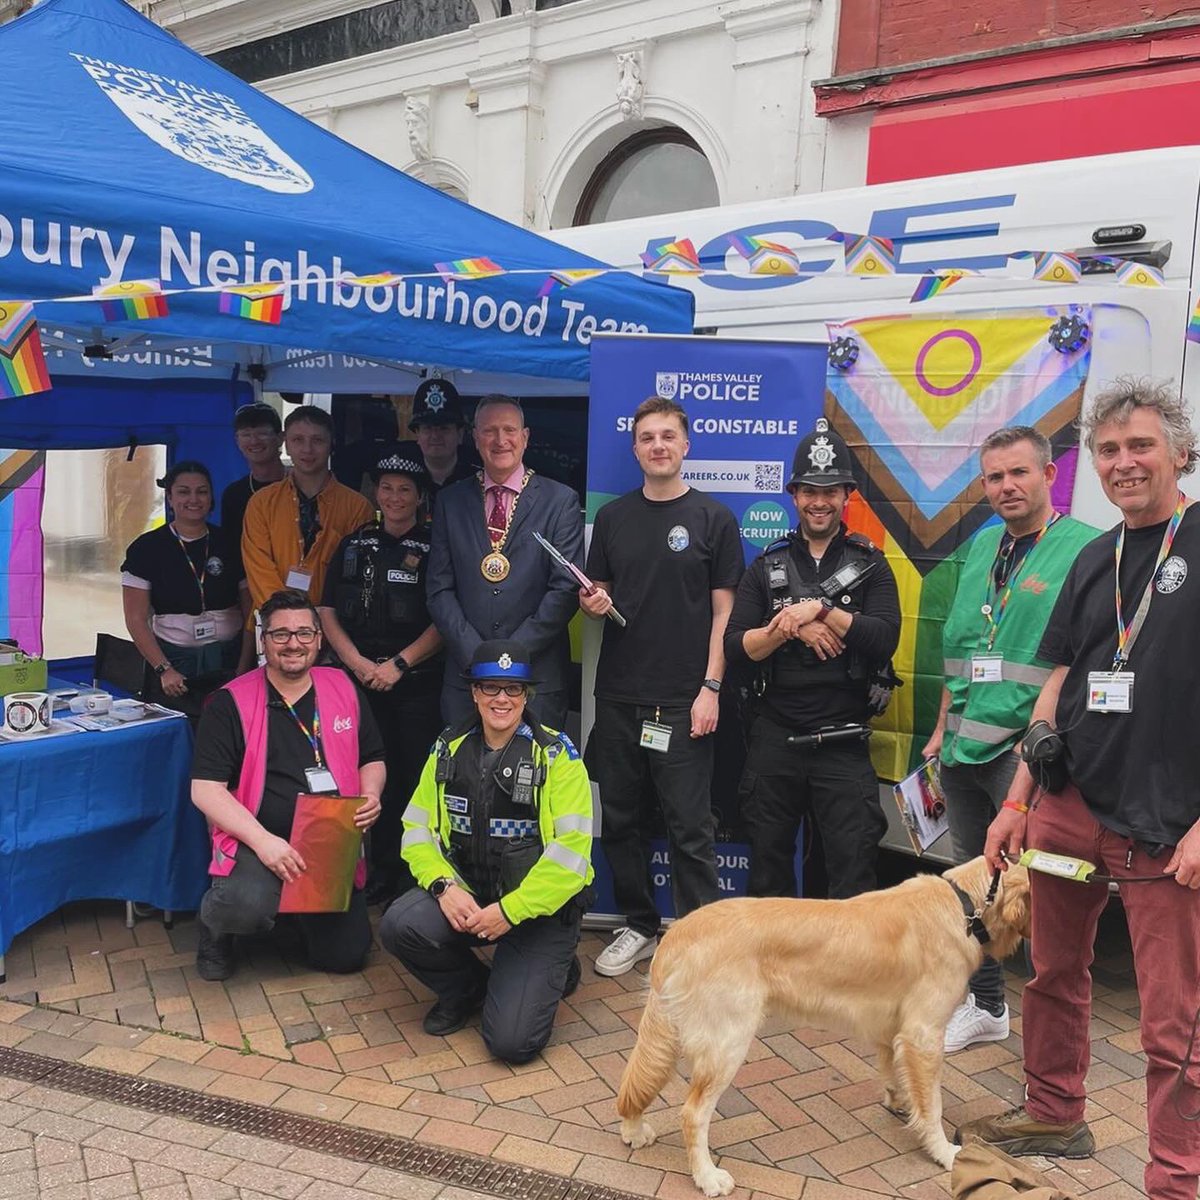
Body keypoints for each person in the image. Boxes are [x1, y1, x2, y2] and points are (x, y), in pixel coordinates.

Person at [960, 379, 1200, 1200]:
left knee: (1175, 1026)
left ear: (1180, 453)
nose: (1123, 463)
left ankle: (1177, 1178)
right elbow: (1062, 676)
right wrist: (1021, 797)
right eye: (1108, 450)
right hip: (1070, 809)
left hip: (1168, 825)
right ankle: (1056, 1111)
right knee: (1053, 972)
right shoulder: (1096, 556)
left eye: (1140, 447)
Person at [922, 426, 1097, 1054]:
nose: (1006, 487)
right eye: (994, 478)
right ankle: (987, 1005)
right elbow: (963, 648)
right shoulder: (982, 549)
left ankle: (1054, 1035)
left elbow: (1077, 659)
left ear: (1050, 476)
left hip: (1024, 756)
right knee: (974, 885)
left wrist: (1040, 741)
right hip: (966, 747)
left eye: (1018, 473)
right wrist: (943, 727)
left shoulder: (1085, 549)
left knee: (1034, 892)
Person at [581, 396, 743, 977]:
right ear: (634, 448)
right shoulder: (615, 519)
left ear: (685, 445)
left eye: (667, 436)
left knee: (689, 825)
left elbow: (726, 615)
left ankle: (702, 938)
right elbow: (596, 597)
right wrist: (592, 602)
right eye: (647, 437)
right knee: (620, 818)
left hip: (682, 698)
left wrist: (711, 689)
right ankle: (639, 924)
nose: (657, 446)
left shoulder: (714, 519)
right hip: (620, 694)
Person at [379, 639, 593, 1062]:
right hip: (471, 894)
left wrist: (511, 911)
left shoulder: (556, 757)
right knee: (400, 925)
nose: (501, 699)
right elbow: (416, 828)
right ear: (474, 692)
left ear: (526, 695)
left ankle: (553, 963)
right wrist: (443, 888)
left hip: (538, 909)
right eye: (491, 687)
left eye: (512, 689)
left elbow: (571, 856)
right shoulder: (448, 747)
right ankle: (468, 989)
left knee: (512, 1044)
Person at [724, 417, 900, 901]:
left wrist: (821, 609)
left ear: (847, 495)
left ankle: (841, 975)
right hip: (775, 737)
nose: (819, 501)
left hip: (842, 740)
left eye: (830, 491)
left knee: (850, 874)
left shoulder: (872, 563)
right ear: (793, 495)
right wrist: (789, 625)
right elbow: (736, 648)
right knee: (769, 872)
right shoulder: (766, 565)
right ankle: (774, 974)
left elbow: (884, 638)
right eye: (808, 491)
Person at [190, 589, 383, 981]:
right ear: (264, 641)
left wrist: (372, 794)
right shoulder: (231, 702)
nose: (293, 644)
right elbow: (205, 790)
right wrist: (264, 842)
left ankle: (298, 913)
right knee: (246, 905)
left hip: (327, 840)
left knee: (345, 957)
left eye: (304, 633)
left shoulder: (344, 687)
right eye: (280, 634)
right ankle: (218, 927)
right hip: (257, 839)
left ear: (319, 638)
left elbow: (372, 758)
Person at [318, 448, 445, 905]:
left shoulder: (436, 549)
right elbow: (326, 610)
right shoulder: (354, 543)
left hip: (416, 684)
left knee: (413, 781)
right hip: (359, 683)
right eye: (387, 488)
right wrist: (358, 665)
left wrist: (398, 665)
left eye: (404, 490)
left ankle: (415, 876)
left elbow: (445, 618)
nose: (394, 498)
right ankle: (376, 871)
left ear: (420, 497)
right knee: (366, 781)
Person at [427, 395, 583, 729]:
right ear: (475, 437)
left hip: (536, 677)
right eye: (490, 431)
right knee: (464, 779)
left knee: (536, 779)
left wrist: (509, 657)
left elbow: (565, 588)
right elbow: (439, 589)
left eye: (509, 430)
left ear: (525, 437)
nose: (501, 440)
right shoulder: (450, 501)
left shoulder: (561, 501)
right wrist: (478, 657)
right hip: (465, 678)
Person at [121, 460, 252, 713]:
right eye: (183, 491)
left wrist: (243, 669)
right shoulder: (145, 549)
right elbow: (135, 618)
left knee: (228, 738)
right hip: (174, 667)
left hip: (229, 662)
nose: (193, 499)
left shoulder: (233, 543)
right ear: (169, 498)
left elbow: (250, 613)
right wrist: (164, 669)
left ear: (211, 497)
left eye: (202, 491)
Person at [241, 404, 373, 614]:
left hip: (334, 627)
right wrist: (289, 620)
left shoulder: (357, 507)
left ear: (332, 443)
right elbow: (259, 569)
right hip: (276, 625)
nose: (307, 449)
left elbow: (357, 576)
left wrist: (325, 622)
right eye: (298, 440)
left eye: (317, 440)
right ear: (285, 443)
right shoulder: (261, 503)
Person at [219, 402, 286, 573]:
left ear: (280, 438)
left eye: (262, 433)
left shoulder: (301, 484)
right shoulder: (234, 495)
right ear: (237, 441)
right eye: (246, 435)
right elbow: (232, 550)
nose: (254, 441)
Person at [407, 377, 479, 496]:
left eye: (444, 428)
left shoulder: (478, 476)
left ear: (460, 434)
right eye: (428, 428)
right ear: (417, 434)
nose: (435, 436)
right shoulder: (405, 475)